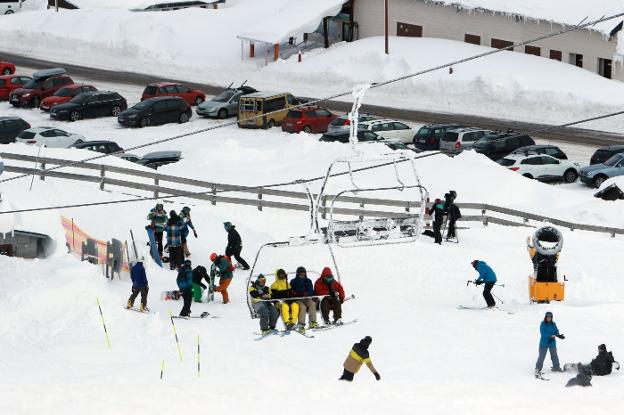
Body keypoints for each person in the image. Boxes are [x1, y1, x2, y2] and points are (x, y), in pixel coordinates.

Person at [535, 311, 565, 377]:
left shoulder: (553, 324)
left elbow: (556, 331)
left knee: (554, 355)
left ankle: (556, 367)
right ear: (545, 317)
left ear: (551, 318)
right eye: (548, 317)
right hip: (544, 342)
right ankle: (537, 369)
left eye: (550, 317)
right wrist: (550, 336)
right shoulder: (542, 324)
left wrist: (558, 335)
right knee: (542, 356)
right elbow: (543, 333)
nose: (549, 318)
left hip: (552, 342)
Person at [290, 266, 319, 330]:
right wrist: (297, 294)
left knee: (312, 304)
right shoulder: (293, 281)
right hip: (298, 299)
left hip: (307, 298)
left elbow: (311, 291)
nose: (302, 275)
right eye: (301, 273)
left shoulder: (308, 281)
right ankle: (301, 324)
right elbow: (291, 291)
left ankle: (312, 322)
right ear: (297, 274)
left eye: (303, 273)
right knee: (303, 307)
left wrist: (307, 294)